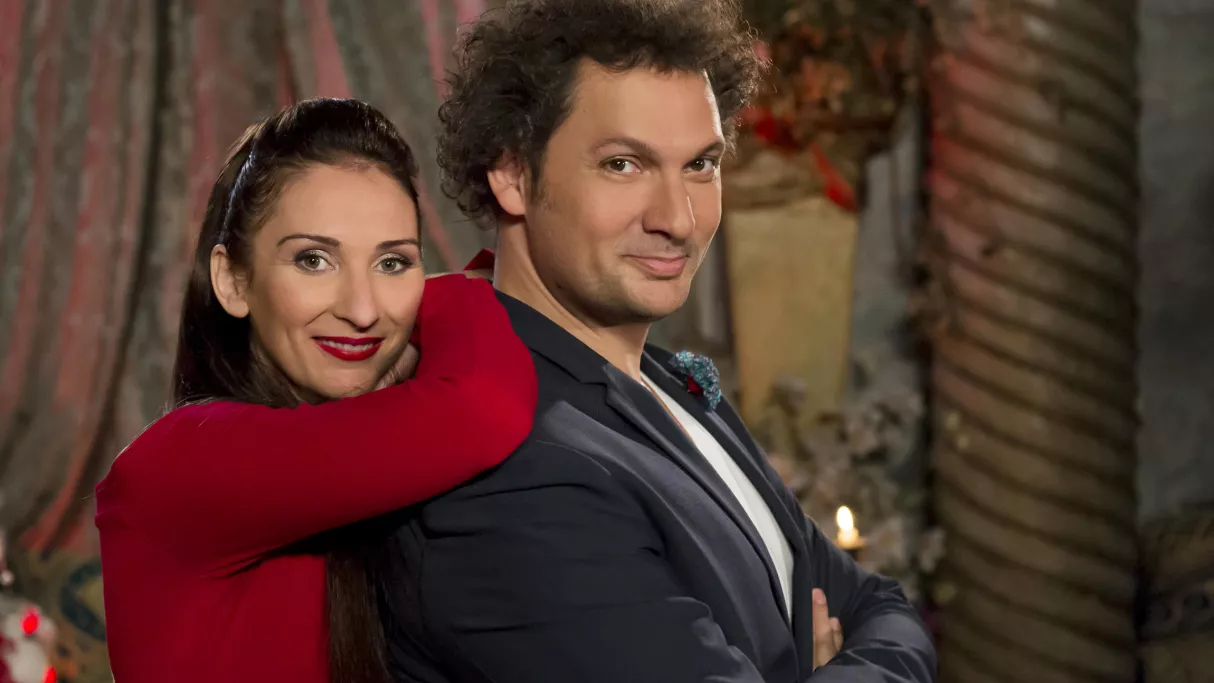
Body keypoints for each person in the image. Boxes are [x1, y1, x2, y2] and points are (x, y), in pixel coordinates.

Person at [375, 1, 937, 682]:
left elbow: (884, 607)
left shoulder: (667, 380)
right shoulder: (510, 469)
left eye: (700, 164)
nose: (678, 218)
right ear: (513, 173)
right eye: (623, 164)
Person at [94, 98, 536, 683]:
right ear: (233, 281)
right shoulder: (181, 461)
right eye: (313, 259)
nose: (362, 310)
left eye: (392, 263)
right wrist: (461, 290)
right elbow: (484, 404)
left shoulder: (375, 466)